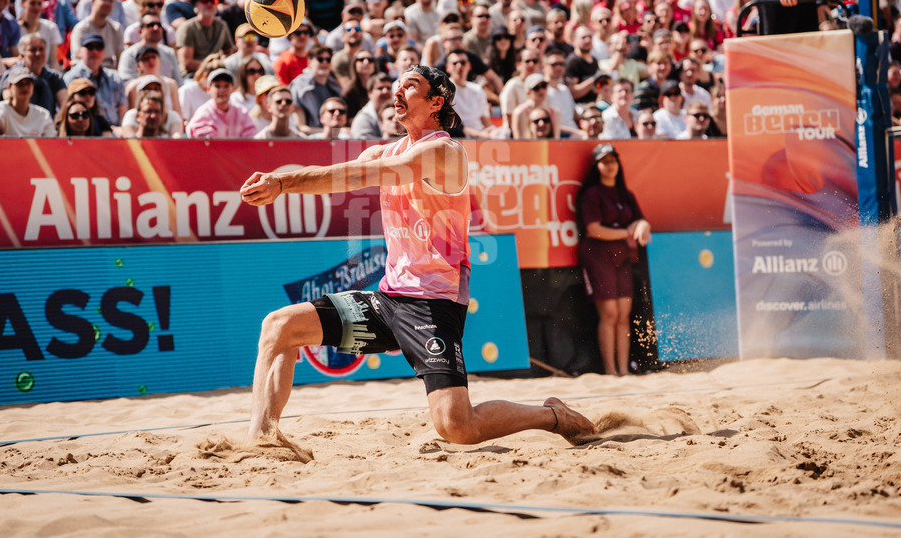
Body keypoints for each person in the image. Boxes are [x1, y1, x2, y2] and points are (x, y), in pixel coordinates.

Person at [240, 64, 596, 447]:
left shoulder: (445, 152)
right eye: (396, 84)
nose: (397, 91)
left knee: (457, 427)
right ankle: (262, 438)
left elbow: (363, 175)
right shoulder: (388, 149)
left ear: (435, 103)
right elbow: (339, 176)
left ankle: (553, 415)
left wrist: (284, 182)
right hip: (388, 299)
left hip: (432, 305)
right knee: (279, 326)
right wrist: (280, 182)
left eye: (410, 86)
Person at [576, 143, 650, 377]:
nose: (610, 165)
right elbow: (594, 230)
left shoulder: (625, 194)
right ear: (597, 166)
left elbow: (641, 220)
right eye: (604, 161)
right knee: (609, 314)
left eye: (613, 160)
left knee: (622, 314)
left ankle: (624, 369)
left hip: (622, 255)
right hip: (598, 254)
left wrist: (643, 225)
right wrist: (628, 231)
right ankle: (610, 370)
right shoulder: (591, 194)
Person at [186, 67, 257, 138]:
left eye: (226, 86)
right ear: (209, 89)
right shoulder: (204, 113)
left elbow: (250, 139)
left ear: (233, 89)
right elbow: (206, 145)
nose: (222, 90)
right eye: (217, 86)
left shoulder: (242, 112)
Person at [0, 64, 57, 136]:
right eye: (20, 84)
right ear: (9, 87)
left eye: (28, 83)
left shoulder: (43, 115)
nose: (25, 87)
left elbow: (52, 143)